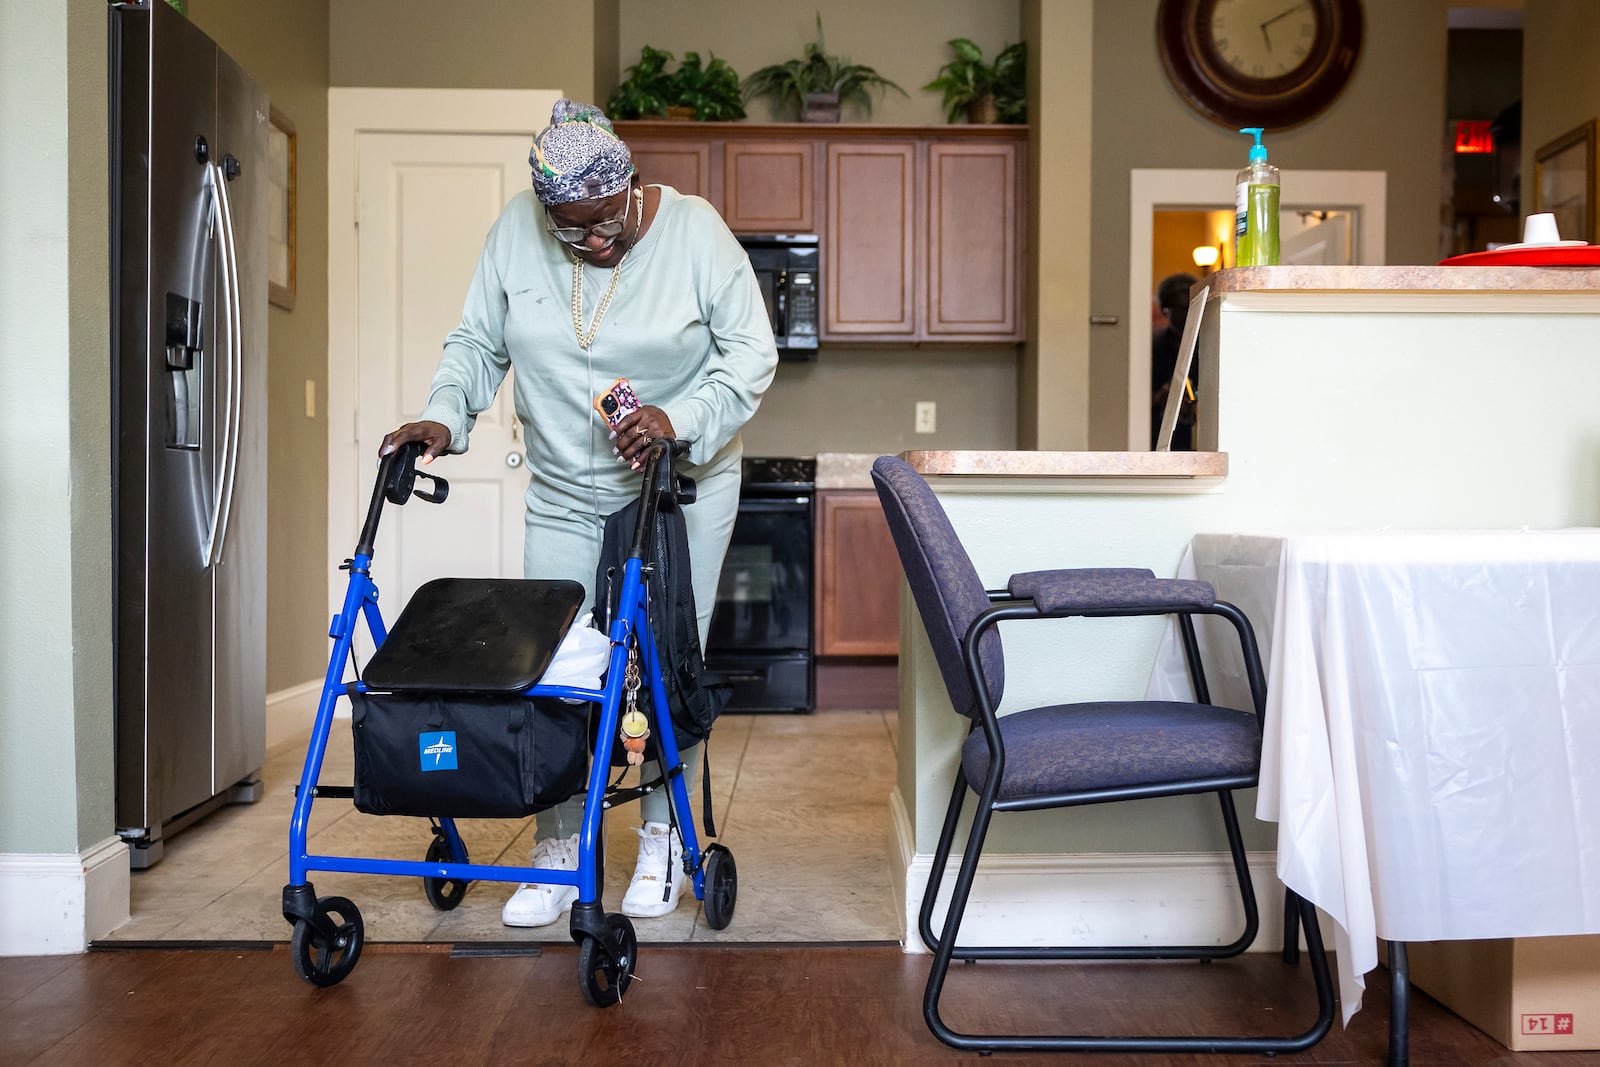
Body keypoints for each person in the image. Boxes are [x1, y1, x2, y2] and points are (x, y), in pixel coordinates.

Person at [380, 99, 778, 927]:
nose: (595, 243)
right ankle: (558, 848)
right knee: (554, 666)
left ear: (630, 185)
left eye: (607, 224)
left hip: (678, 488)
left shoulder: (696, 233)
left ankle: (664, 839)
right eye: (574, 231)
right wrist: (444, 416)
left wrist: (683, 418)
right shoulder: (514, 234)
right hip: (564, 485)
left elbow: (751, 353)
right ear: (546, 212)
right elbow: (477, 344)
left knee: (668, 664)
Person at [1150, 272, 1198, 450]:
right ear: (1165, 310)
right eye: (1178, 309)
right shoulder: (1152, 347)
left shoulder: (1210, 344)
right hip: (1159, 431)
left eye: (1189, 308)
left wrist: (1196, 398)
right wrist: (1159, 396)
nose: (1185, 315)